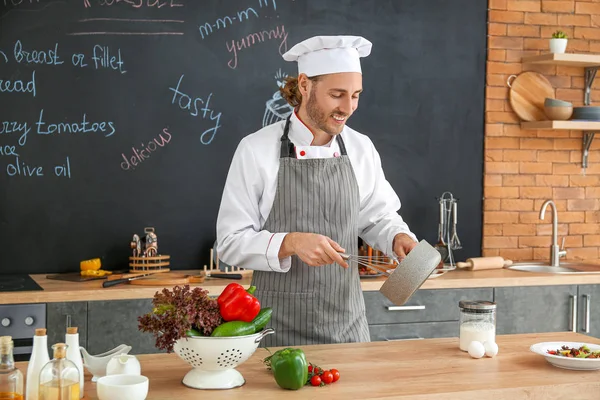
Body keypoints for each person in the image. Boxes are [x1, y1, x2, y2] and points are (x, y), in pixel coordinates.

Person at [216, 35, 418, 347]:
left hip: (347, 329)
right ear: (305, 85)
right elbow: (229, 243)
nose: (348, 108)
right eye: (337, 95)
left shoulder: (361, 148)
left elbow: (378, 217)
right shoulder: (255, 150)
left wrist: (396, 237)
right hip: (275, 331)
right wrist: (291, 242)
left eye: (355, 95)